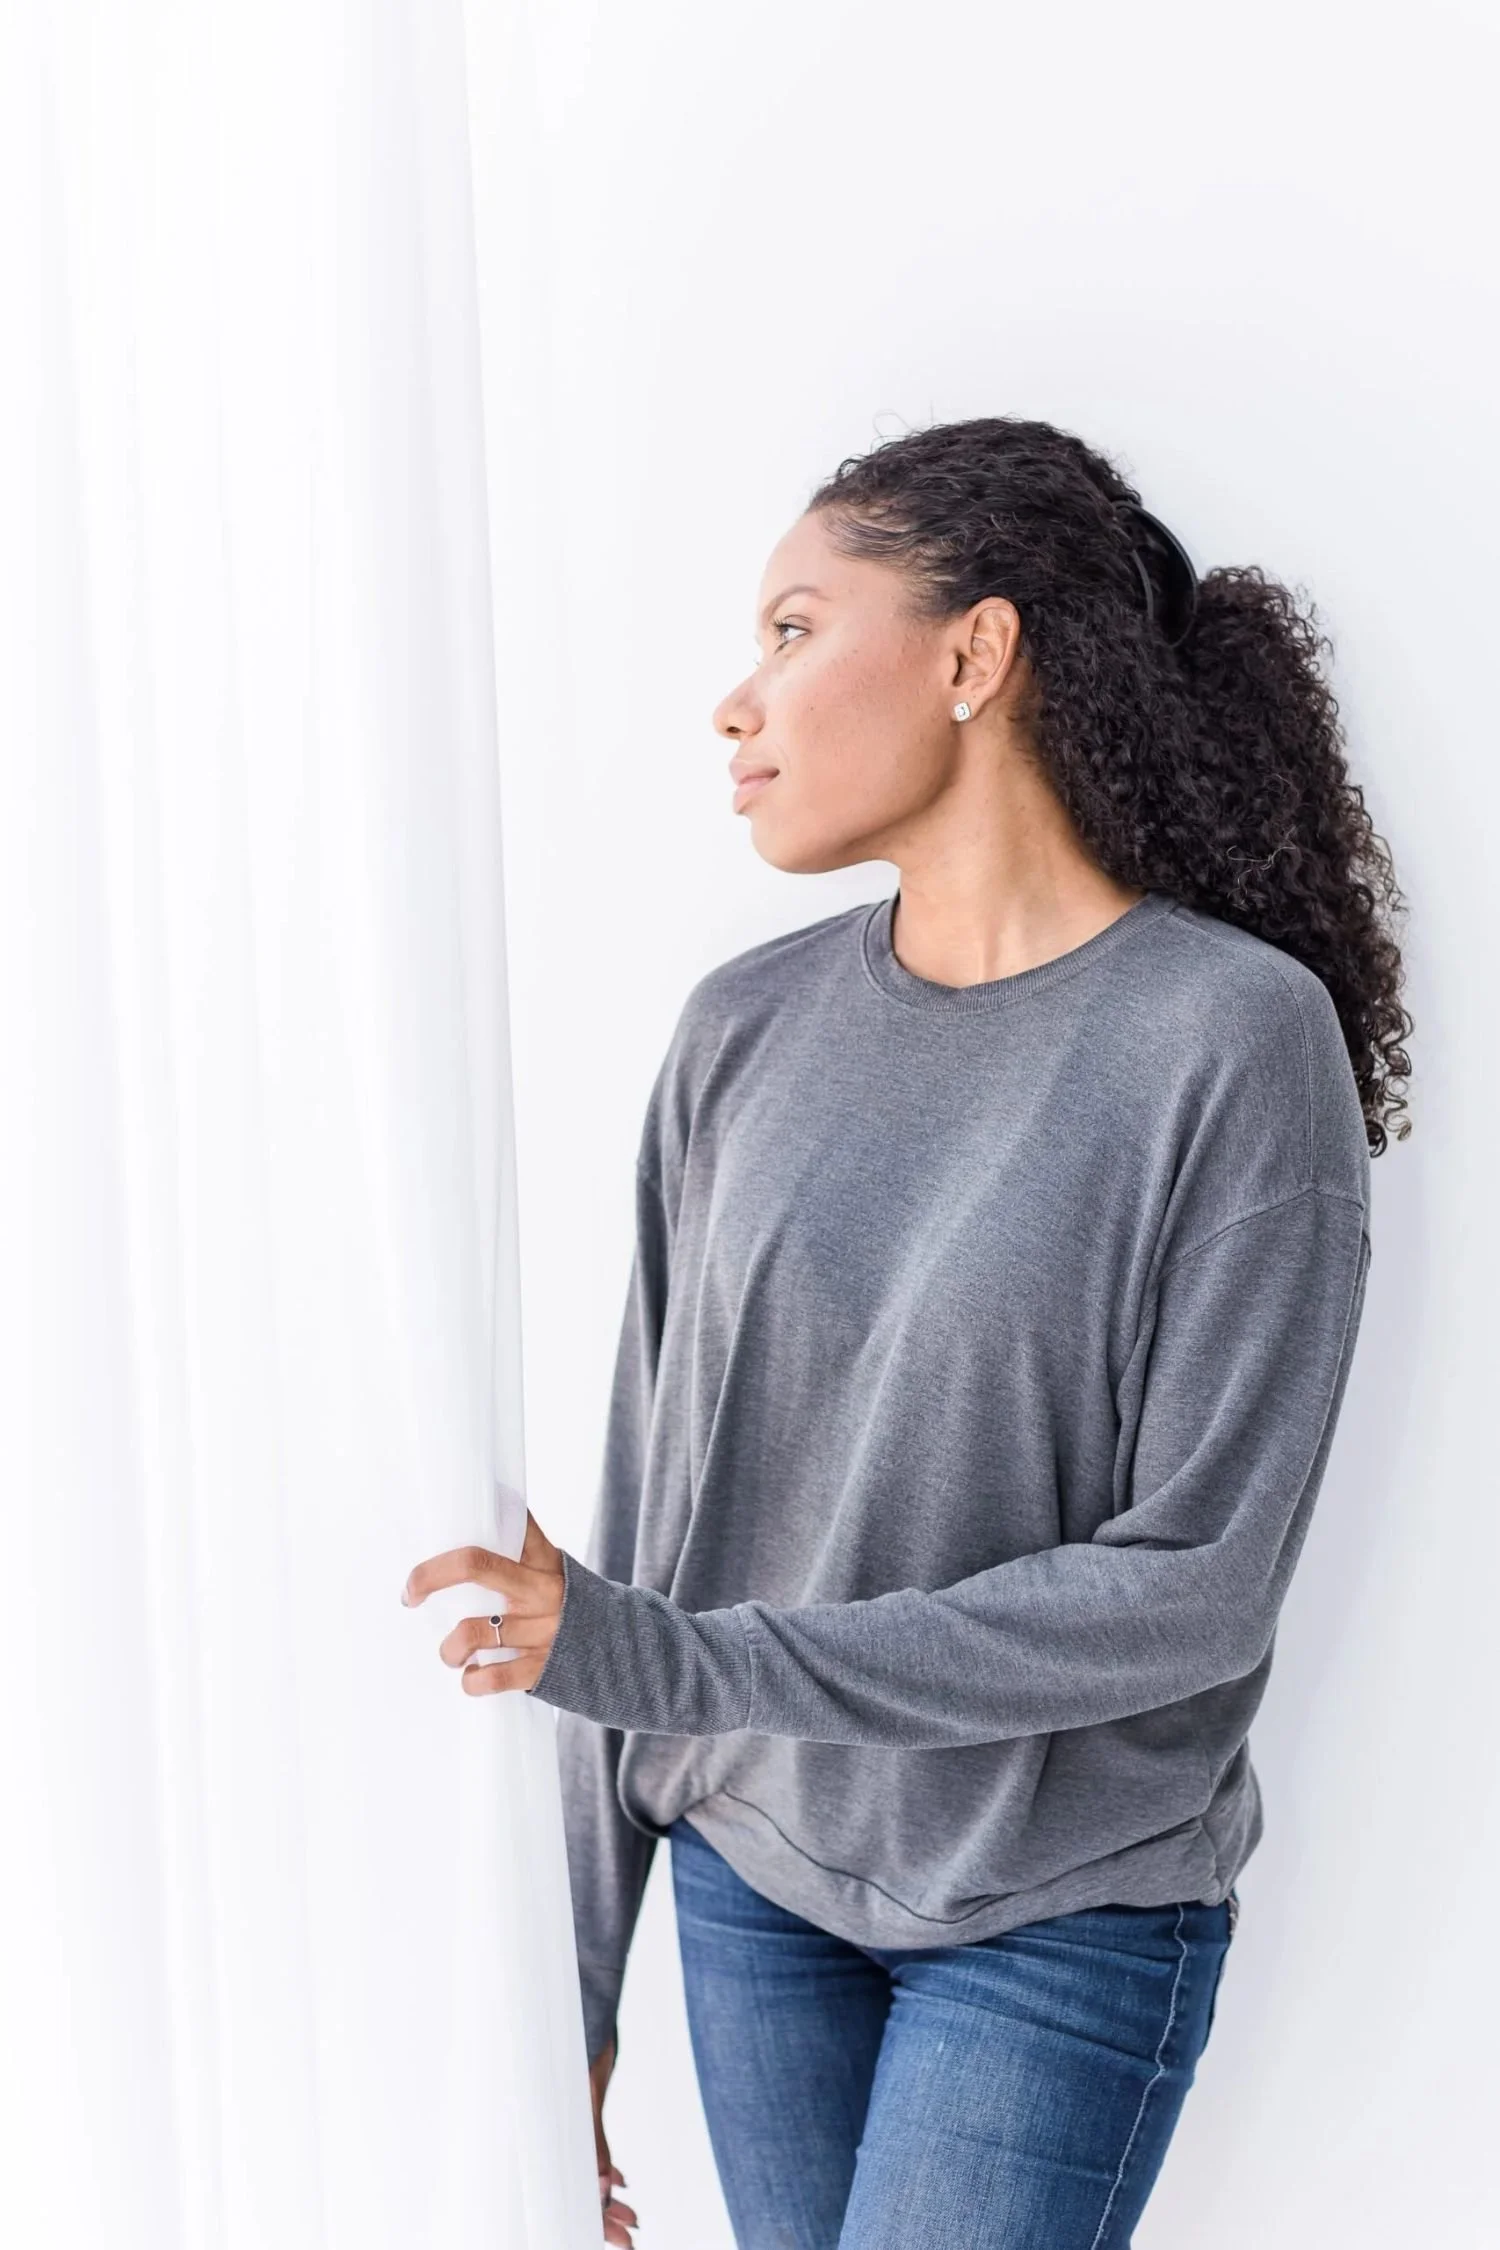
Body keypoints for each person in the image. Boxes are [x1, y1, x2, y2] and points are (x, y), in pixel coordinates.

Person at [402, 414, 1411, 2247]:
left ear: (974, 652)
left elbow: (1196, 1590)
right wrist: (572, 1987)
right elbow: (644, 1527)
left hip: (1059, 1910)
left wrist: (686, 1663)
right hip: (756, 1880)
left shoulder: (1233, 1042)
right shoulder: (739, 1033)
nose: (737, 701)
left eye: (795, 628)